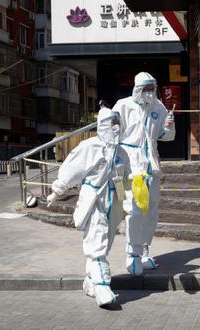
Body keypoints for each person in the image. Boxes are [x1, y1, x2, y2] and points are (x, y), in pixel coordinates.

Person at [46, 106, 124, 307]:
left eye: (118, 123)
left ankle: (90, 282)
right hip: (94, 199)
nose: (115, 127)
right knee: (96, 241)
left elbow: (127, 176)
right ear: (102, 126)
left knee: (105, 242)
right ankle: (102, 286)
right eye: (111, 123)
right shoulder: (89, 146)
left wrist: (131, 197)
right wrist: (57, 190)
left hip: (114, 200)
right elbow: (71, 169)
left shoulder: (120, 150)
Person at [113, 72, 175, 276]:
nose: (150, 92)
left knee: (152, 210)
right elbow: (109, 134)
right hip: (131, 165)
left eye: (152, 88)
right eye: (146, 89)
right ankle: (133, 255)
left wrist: (169, 126)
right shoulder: (122, 106)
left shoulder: (159, 107)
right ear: (137, 89)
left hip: (151, 165)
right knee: (135, 210)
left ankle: (145, 250)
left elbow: (165, 137)